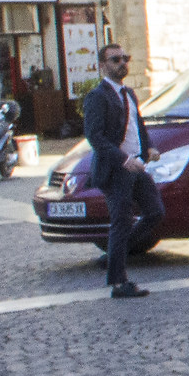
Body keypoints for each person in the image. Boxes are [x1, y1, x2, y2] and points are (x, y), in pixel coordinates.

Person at [82, 43, 161, 298]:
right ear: (102, 66)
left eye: (124, 58)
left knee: (155, 212)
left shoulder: (129, 93)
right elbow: (95, 137)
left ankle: (114, 255)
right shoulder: (98, 96)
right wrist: (123, 159)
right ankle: (118, 282)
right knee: (122, 221)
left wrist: (149, 148)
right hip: (115, 170)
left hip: (136, 165)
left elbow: (138, 126)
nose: (122, 63)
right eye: (115, 60)